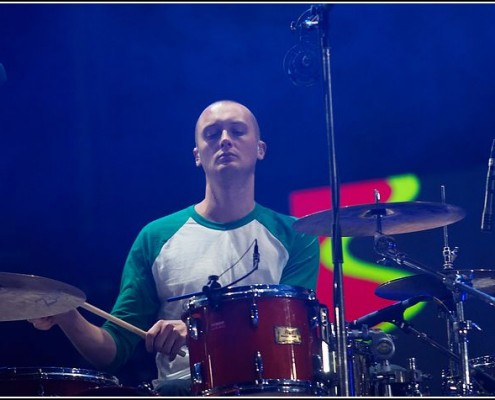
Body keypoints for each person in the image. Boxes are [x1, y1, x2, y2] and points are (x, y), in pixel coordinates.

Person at [28, 100, 321, 396]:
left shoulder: (297, 234)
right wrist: (66, 313)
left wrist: (197, 330)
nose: (224, 140)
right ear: (197, 155)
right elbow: (111, 352)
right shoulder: (155, 237)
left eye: (236, 131)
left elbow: (289, 334)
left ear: (260, 149)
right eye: (212, 134)